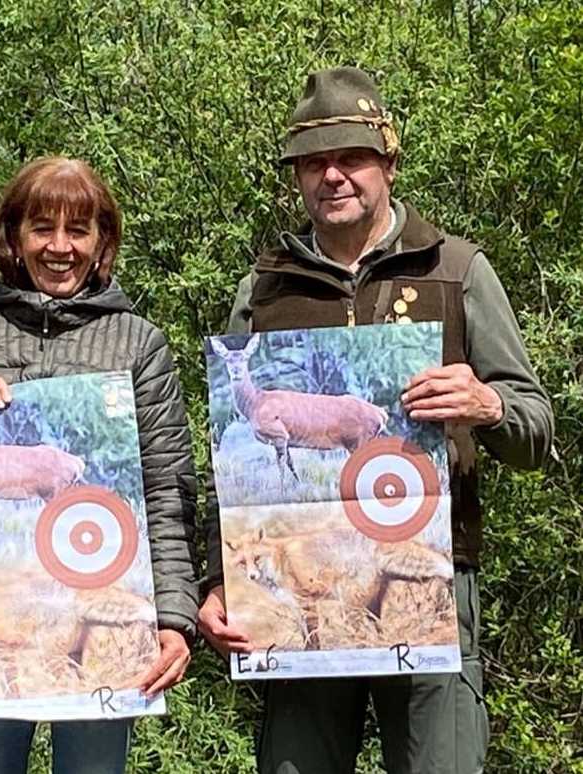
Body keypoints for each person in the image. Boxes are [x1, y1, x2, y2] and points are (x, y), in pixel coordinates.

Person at [197, 66, 554, 774]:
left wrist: (487, 405)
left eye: (350, 158)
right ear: (297, 177)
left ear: (388, 162)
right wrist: (217, 577)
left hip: (427, 579)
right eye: (313, 162)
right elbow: (224, 460)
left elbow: (536, 432)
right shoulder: (262, 290)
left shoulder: (457, 271)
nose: (332, 176)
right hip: (302, 584)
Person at [0, 156, 200, 774]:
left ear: (102, 242)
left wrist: (175, 617)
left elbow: (167, 489)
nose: (60, 247)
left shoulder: (139, 344)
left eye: (78, 230)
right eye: (42, 227)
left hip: (99, 599)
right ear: (13, 238)